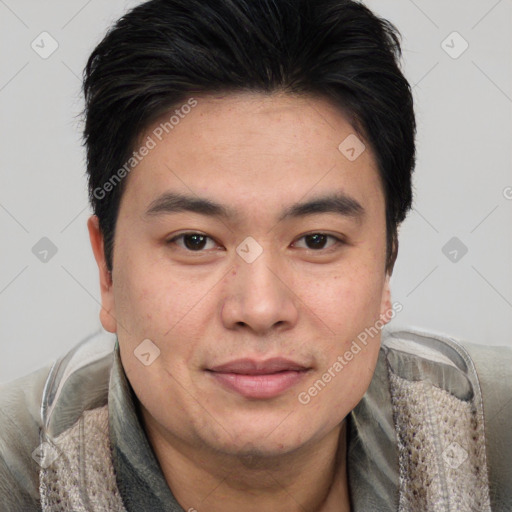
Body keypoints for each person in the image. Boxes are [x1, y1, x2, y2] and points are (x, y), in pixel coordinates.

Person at [0, 0, 510, 510]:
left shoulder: (495, 442)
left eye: (316, 240)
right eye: (195, 241)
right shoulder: (19, 473)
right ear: (107, 270)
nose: (260, 309)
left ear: (387, 266)